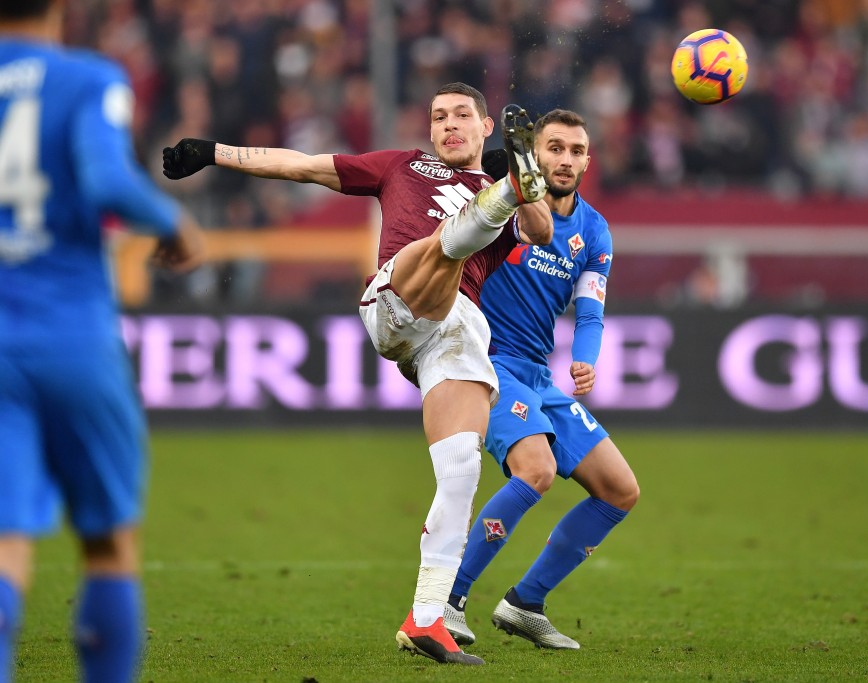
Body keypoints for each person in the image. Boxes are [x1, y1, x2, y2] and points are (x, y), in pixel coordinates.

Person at [161, 82, 553, 665]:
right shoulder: (401, 166)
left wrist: (524, 191)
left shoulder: (510, 192)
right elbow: (302, 167)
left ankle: (426, 619)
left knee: (462, 470)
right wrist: (214, 151)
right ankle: (487, 211)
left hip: (456, 334)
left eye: (461, 116)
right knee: (447, 247)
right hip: (398, 296)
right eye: (438, 116)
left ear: (487, 126)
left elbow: (543, 231)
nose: (449, 125)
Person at [0, 1, 206, 681]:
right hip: (73, 336)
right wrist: (173, 222)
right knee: (108, 541)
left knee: (6, 545)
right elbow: (108, 180)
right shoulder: (88, 78)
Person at [441, 109, 640, 649]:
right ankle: (448, 600)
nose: (566, 160)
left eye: (576, 151)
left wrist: (586, 359)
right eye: (555, 148)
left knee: (619, 491)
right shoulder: (505, 206)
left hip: (538, 374)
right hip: (491, 363)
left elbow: (591, 310)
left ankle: (525, 602)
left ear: (587, 161)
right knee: (536, 469)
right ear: (536, 154)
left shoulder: (595, 229)